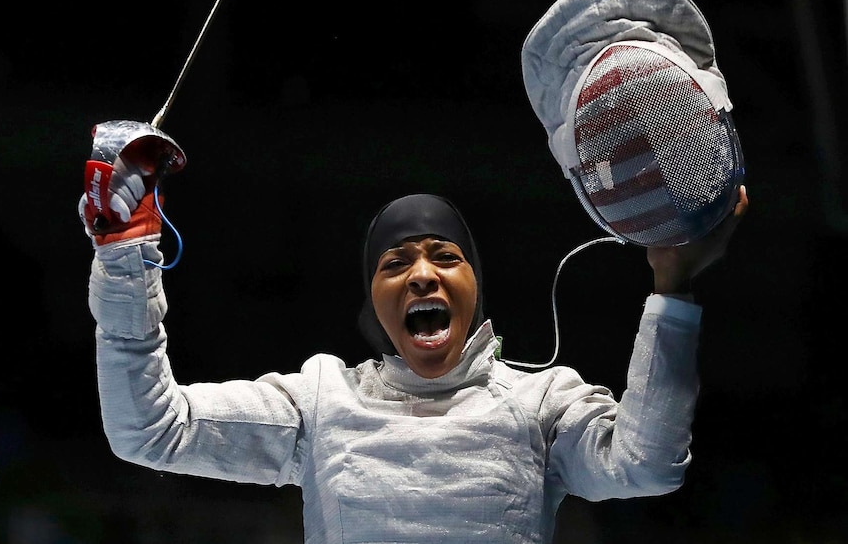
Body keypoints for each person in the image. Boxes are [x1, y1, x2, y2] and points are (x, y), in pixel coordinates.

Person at [79, 168, 747, 543]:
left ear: (475, 286)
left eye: (445, 256)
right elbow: (149, 429)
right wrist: (123, 258)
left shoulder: (543, 404)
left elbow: (646, 465)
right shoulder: (320, 402)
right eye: (396, 262)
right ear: (374, 301)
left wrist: (673, 288)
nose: (423, 273)